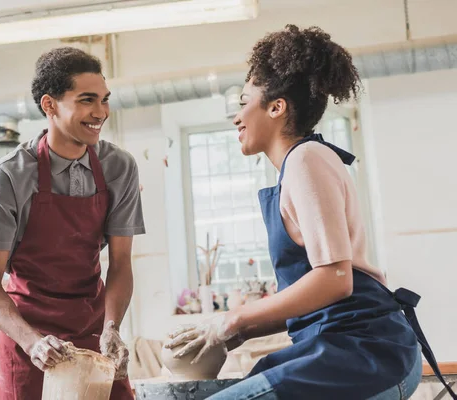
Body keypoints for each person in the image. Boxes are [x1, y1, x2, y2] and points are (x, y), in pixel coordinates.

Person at [165, 25, 456, 400]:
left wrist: (233, 318)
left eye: (243, 101)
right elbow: (317, 296)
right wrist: (236, 332)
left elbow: (336, 279)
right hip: (344, 348)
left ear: (276, 106)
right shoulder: (304, 162)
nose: (237, 117)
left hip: (367, 354)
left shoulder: (306, 159)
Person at [0, 47, 145, 400]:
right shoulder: (9, 176)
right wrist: (32, 343)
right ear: (49, 105)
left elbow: (121, 263)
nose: (100, 113)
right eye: (87, 100)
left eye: (104, 100)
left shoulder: (119, 168)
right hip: (29, 338)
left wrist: (112, 327)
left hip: (93, 332)